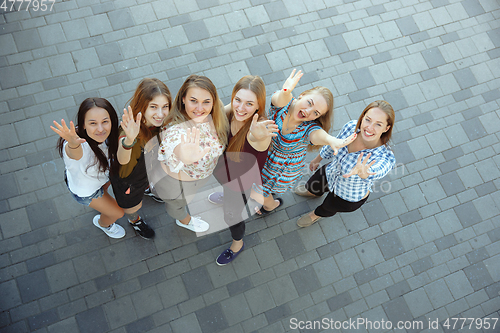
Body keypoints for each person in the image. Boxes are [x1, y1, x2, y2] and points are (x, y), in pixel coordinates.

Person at [251, 69, 356, 214]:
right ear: (302, 95)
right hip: (264, 152)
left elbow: (318, 135)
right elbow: (279, 98)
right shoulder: (284, 103)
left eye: (316, 113)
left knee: (258, 190)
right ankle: (269, 199)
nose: (308, 111)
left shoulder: (309, 127)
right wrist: (286, 91)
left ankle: (270, 205)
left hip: (281, 167)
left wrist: (331, 140)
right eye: (309, 103)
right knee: (256, 185)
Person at [210, 75, 278, 265]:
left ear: (259, 105)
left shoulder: (260, 130)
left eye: (249, 104)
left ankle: (237, 244)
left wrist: (256, 137)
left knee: (231, 215)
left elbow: (257, 140)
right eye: (238, 100)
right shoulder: (232, 111)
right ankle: (270, 204)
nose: (241, 108)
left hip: (240, 184)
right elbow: (211, 116)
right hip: (225, 172)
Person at [294, 100, 396, 227]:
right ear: (363, 117)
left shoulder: (385, 156)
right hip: (331, 172)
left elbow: (380, 169)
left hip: (347, 194)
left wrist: (364, 174)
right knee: (313, 184)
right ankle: (313, 193)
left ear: (386, 128)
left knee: (328, 207)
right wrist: (317, 159)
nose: (369, 127)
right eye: (368, 120)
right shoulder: (351, 128)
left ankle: (315, 215)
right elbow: (333, 145)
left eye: (378, 124)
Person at [155, 74, 229, 232]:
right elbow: (173, 143)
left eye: (206, 102)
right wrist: (183, 154)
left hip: (200, 177)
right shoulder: (173, 128)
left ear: (213, 101)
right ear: (183, 98)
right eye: (193, 100)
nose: (200, 108)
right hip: (179, 184)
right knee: (176, 205)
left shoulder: (215, 114)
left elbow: (223, 113)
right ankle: (184, 221)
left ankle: (154, 190)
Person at [50, 98, 125, 238]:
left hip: (100, 178)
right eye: (93, 123)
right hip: (87, 192)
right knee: (118, 213)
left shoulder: (112, 136)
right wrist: (72, 143)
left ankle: (102, 205)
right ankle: (104, 224)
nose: (100, 129)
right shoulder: (78, 145)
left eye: (105, 121)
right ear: (83, 125)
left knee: (105, 190)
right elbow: (74, 152)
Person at [109, 78, 171, 239]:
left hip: (145, 173)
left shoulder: (158, 125)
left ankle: (146, 189)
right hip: (128, 181)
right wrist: (128, 141)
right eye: (153, 107)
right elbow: (122, 160)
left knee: (146, 182)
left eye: (165, 106)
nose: (160, 113)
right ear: (143, 106)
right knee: (132, 206)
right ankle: (134, 220)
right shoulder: (130, 131)